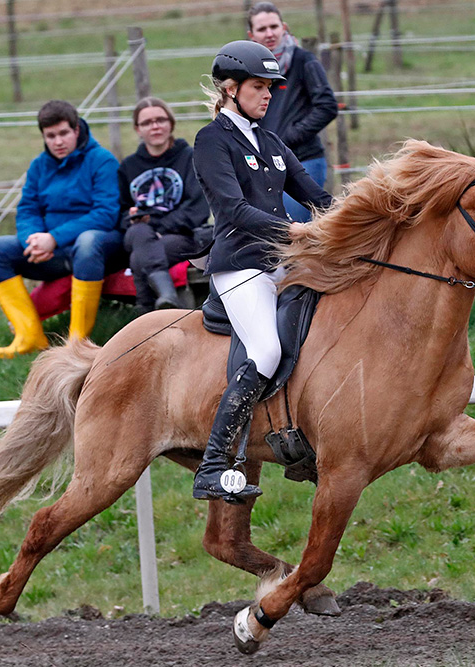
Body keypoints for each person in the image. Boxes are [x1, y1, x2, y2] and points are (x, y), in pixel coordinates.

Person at [191, 40, 333, 502]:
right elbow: (232, 209)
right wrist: (292, 231)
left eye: (271, 87)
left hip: (281, 262)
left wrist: (368, 217)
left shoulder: (270, 142)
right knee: (267, 352)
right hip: (241, 266)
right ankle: (212, 466)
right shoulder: (212, 141)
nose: (269, 94)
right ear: (230, 90)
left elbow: (317, 196)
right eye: (259, 86)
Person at [0, 100, 122, 358]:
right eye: (50, 136)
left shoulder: (102, 161)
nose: (58, 142)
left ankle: (77, 341)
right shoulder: (39, 166)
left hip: (96, 250)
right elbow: (27, 210)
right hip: (48, 252)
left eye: (63, 133)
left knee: (89, 241)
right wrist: (31, 241)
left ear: (76, 129)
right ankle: (29, 337)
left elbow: (105, 214)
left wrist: (53, 239)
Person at [247, 2, 338, 223]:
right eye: (262, 29)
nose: (269, 33)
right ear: (251, 35)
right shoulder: (247, 69)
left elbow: (327, 105)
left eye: (274, 26)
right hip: (260, 164)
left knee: (293, 232)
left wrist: (288, 137)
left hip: (302, 160)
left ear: (284, 27)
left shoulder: (303, 61)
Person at [118, 97, 210, 311]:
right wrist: (131, 217)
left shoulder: (191, 158)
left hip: (181, 236)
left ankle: (145, 310)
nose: (155, 126)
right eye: (147, 122)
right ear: (137, 129)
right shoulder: (128, 167)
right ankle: (166, 297)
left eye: (160, 119)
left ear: (171, 123)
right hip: (141, 234)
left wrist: (157, 228)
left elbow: (198, 209)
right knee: (138, 232)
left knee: (140, 253)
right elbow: (120, 214)